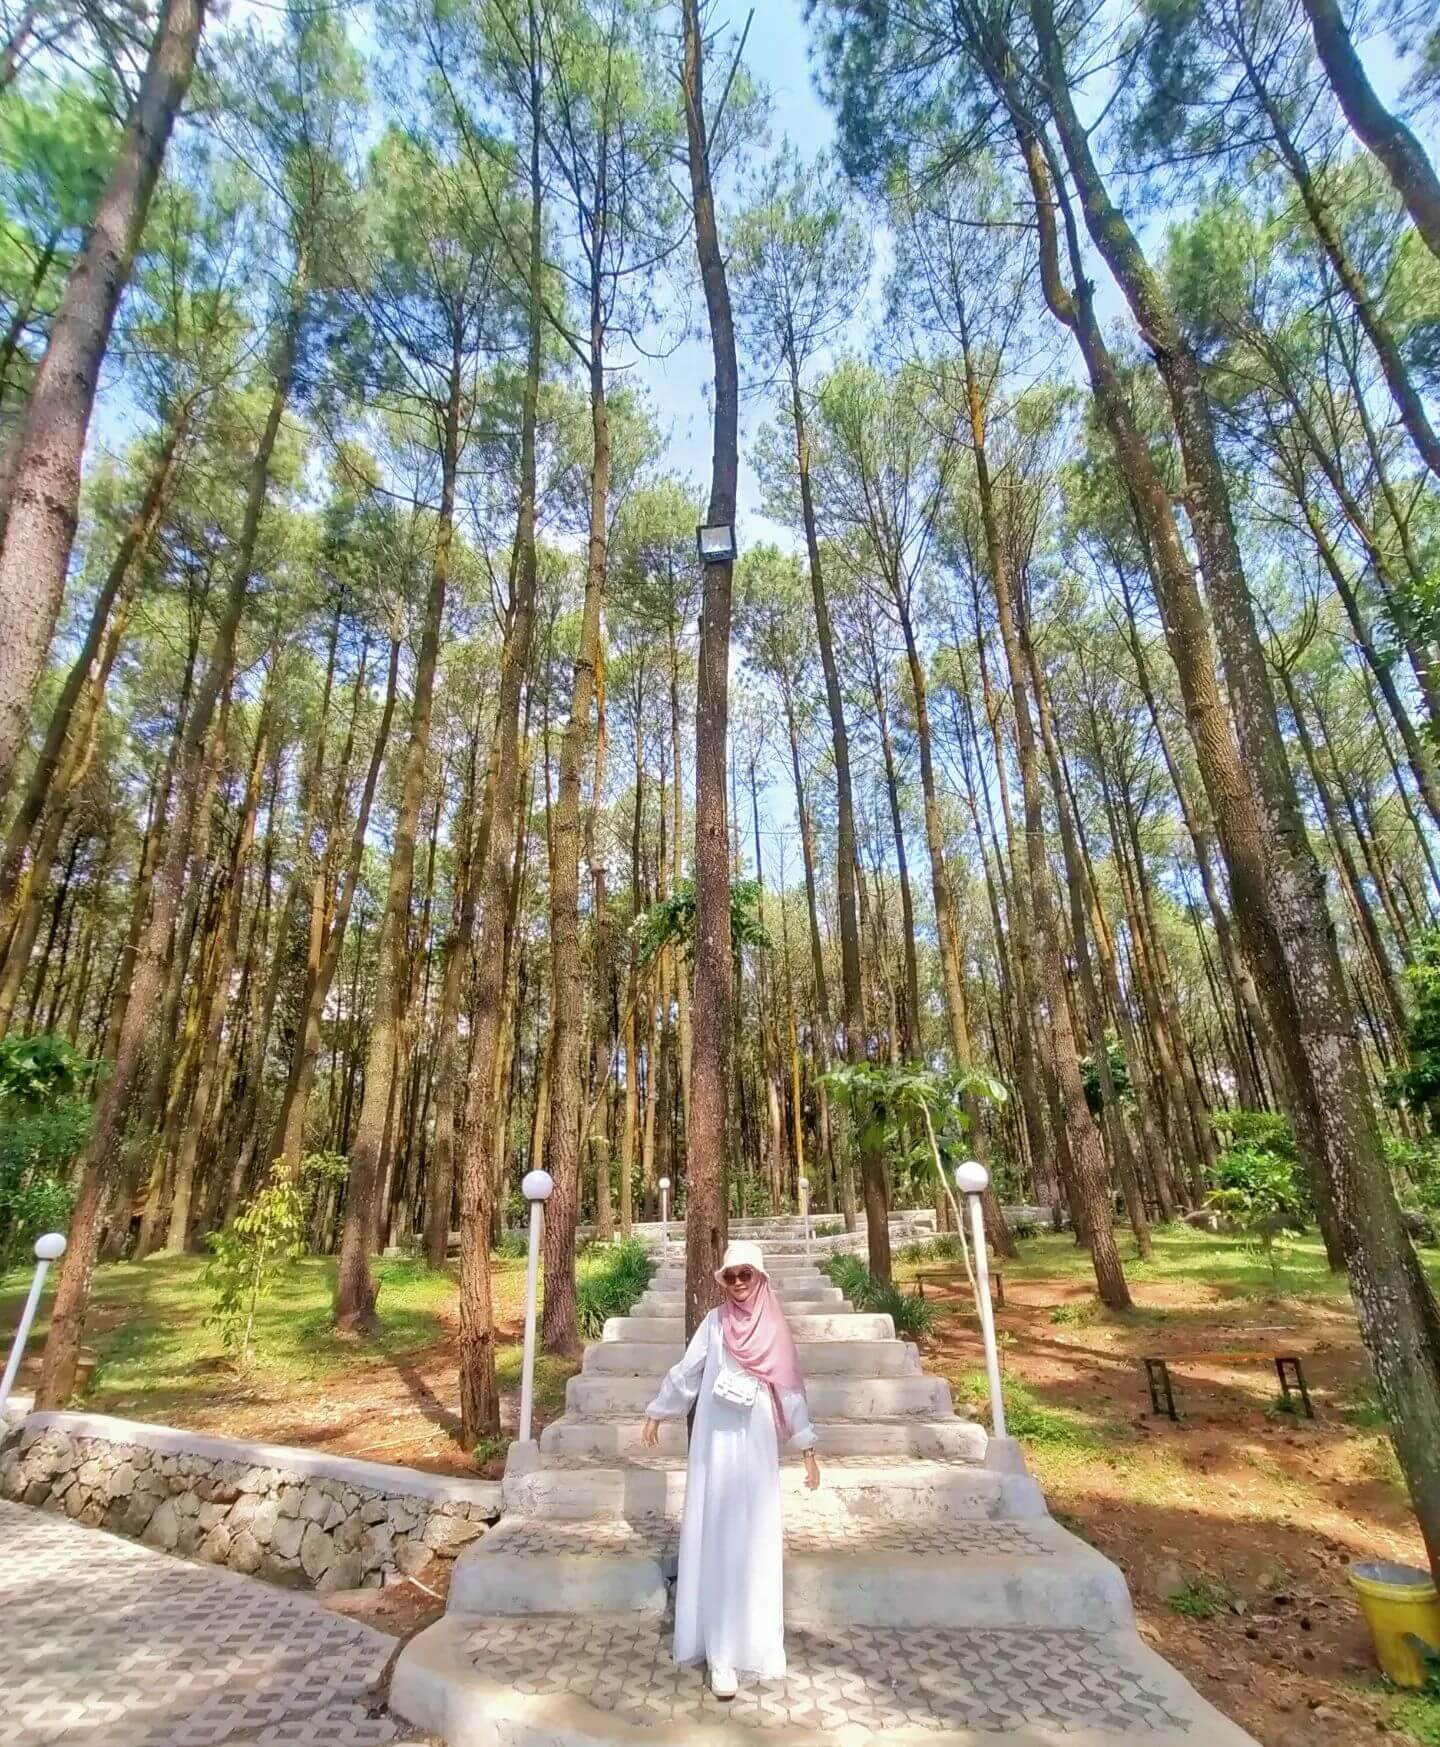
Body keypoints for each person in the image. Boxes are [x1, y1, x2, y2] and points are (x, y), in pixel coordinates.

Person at [640, 1239, 821, 1699]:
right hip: (716, 1437)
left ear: (760, 1278)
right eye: (732, 1276)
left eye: (747, 1274)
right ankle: (719, 1653)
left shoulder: (776, 1329)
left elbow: (789, 1390)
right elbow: (689, 1369)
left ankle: (756, 1646)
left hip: (756, 1439)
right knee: (717, 1532)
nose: (739, 1283)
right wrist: (659, 1410)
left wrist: (806, 1446)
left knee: (753, 1534)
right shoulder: (715, 1323)